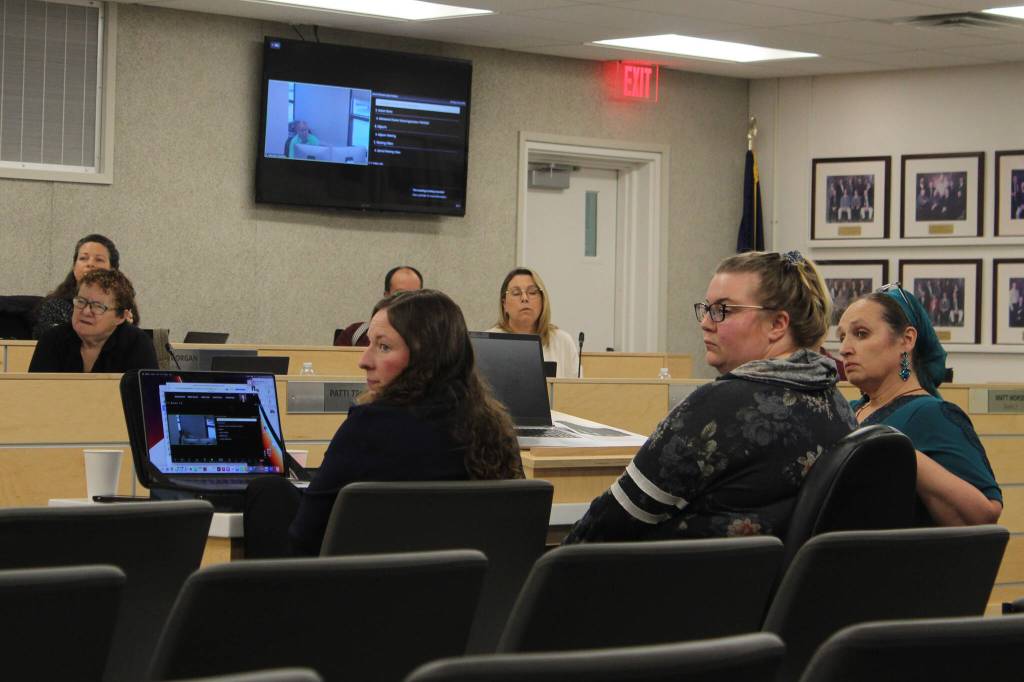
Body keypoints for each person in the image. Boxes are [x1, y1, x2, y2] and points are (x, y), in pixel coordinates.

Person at [564, 251, 856, 543]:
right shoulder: (837, 404)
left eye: (723, 310)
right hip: (772, 585)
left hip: (676, 583)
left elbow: (614, 518)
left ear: (777, 324)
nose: (705, 322)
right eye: (706, 309)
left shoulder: (722, 404)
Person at [249, 289, 524, 557]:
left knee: (269, 492)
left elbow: (303, 538)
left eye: (383, 346)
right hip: (463, 596)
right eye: (369, 343)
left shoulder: (369, 428)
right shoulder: (496, 432)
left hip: (358, 597)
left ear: (424, 356)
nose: (364, 360)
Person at [837, 285, 1002, 526]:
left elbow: (983, 516)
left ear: (906, 339)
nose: (844, 349)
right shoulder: (846, 411)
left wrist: (900, 454)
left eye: (861, 333)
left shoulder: (931, 414)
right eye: (842, 337)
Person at [28, 269, 157, 373]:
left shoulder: (137, 344)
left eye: (97, 306)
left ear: (121, 317)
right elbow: (35, 394)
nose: (85, 311)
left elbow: (143, 401)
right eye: (81, 301)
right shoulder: (52, 339)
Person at [34, 234, 138, 339]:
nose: (90, 264)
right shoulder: (56, 306)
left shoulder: (123, 307)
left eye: (99, 259)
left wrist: (125, 329)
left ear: (113, 269)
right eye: (83, 258)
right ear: (74, 267)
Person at [489, 268, 579, 378]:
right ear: (504, 304)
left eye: (532, 292)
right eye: (516, 293)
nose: (525, 298)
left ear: (542, 300)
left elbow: (578, 391)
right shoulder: (489, 341)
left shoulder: (562, 341)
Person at [334, 266, 423, 346]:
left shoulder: (430, 338)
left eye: (414, 295)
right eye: (400, 294)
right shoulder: (355, 335)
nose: (407, 300)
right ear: (387, 296)